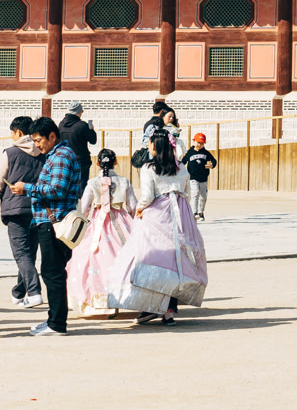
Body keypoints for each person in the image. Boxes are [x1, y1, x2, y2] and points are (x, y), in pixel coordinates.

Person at [110, 135, 206, 324]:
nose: (148, 147)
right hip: (180, 211)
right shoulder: (180, 167)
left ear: (156, 147)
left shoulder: (149, 167)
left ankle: (152, 306)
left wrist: (139, 209)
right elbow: (186, 189)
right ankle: (169, 309)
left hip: (158, 211)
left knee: (151, 258)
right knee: (176, 259)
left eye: (149, 144)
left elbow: (147, 195)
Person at [15, 116, 86, 335]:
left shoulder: (62, 156)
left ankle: (57, 323)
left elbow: (57, 189)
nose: (36, 145)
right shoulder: (55, 155)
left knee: (53, 273)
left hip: (54, 221)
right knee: (51, 271)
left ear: (52, 136)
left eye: (38, 140)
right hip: (49, 220)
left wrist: (27, 188)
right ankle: (54, 320)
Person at [0, 115, 47, 308]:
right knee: (29, 253)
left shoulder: (10, 153)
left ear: (18, 133)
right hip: (38, 209)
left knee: (21, 253)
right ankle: (18, 293)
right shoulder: (44, 153)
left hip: (15, 209)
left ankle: (34, 292)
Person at [68, 149, 137, 319]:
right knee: (125, 256)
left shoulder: (93, 183)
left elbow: (83, 209)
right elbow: (133, 206)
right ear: (115, 163)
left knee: (93, 258)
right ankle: (121, 298)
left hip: (99, 222)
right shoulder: (124, 181)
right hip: (121, 222)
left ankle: (100, 300)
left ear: (97, 163)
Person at [181, 132, 216, 218]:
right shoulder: (190, 152)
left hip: (203, 177)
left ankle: (201, 212)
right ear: (193, 141)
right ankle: (194, 212)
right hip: (193, 177)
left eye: (202, 143)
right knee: (195, 193)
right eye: (198, 142)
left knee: (203, 196)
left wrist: (212, 165)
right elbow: (183, 162)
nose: (199, 144)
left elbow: (214, 160)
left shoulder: (206, 153)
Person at [58, 100, 96, 165]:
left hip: (66, 160)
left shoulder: (61, 124)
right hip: (81, 161)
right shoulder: (82, 125)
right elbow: (93, 140)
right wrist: (91, 129)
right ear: (79, 112)